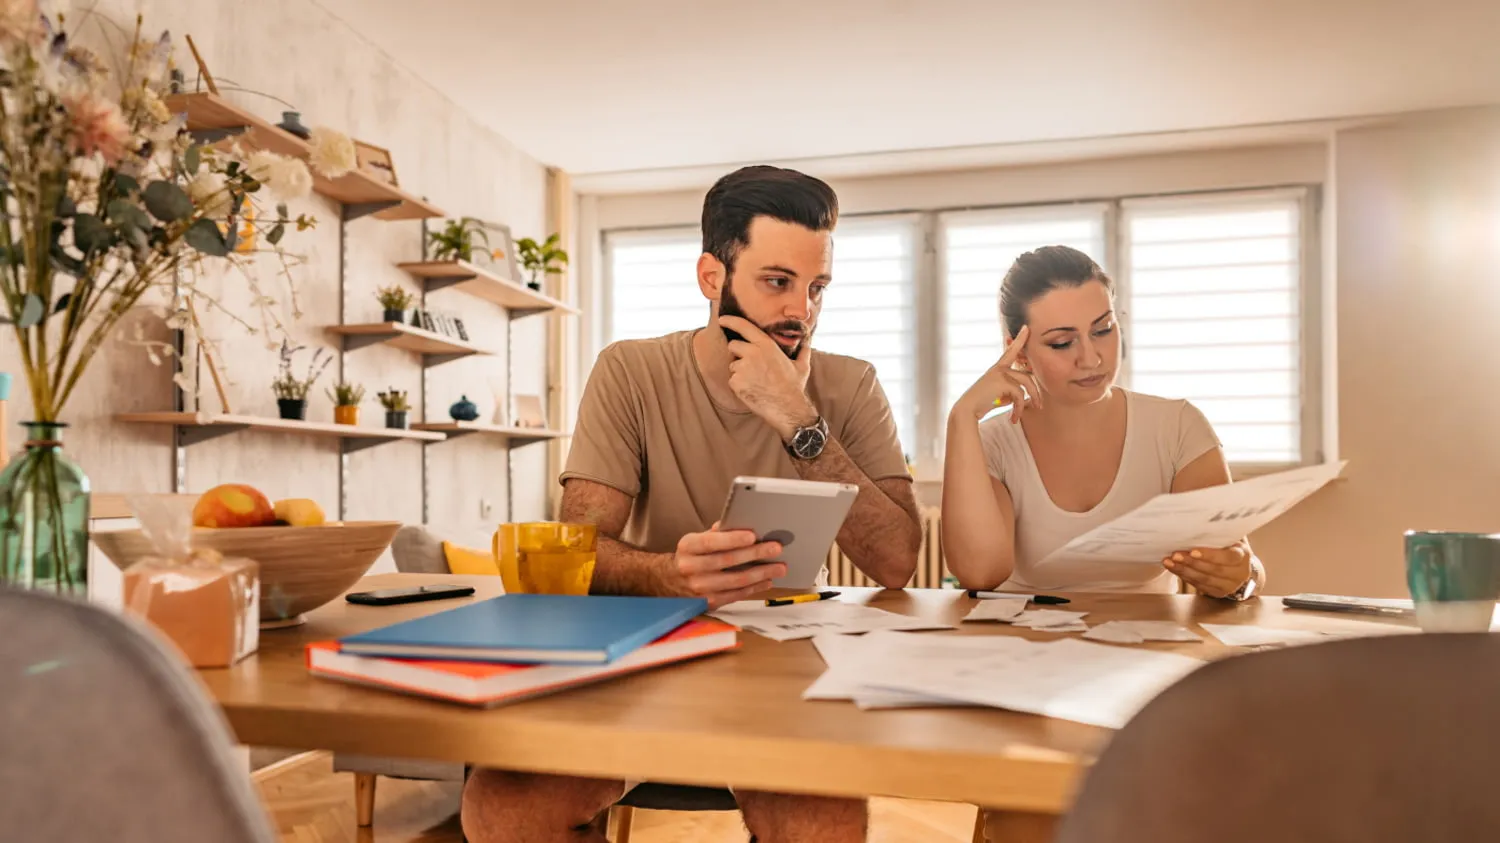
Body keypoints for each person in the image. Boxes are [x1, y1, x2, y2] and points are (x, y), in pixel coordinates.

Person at [461, 164, 923, 843]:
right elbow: (580, 550)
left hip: (786, 666)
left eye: (816, 286)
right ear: (713, 277)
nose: (802, 309)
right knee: (502, 808)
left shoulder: (851, 385)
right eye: (777, 282)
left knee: (824, 823)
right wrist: (668, 576)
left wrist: (797, 417)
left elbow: (897, 560)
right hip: (643, 655)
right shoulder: (631, 371)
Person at [941, 244, 1265, 599]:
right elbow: (979, 573)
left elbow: (1243, 563)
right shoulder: (993, 443)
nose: (1091, 358)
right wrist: (962, 417)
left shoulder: (1178, 427)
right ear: (1018, 353)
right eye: (1062, 343)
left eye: (1103, 330)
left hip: (1147, 641)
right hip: (1025, 642)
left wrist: (1241, 578)